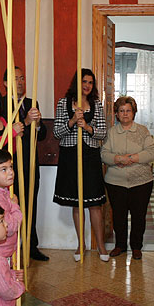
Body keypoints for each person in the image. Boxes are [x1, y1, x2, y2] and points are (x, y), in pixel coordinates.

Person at [53, 69, 109, 261]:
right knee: (77, 203)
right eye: (84, 82)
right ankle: (81, 246)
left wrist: (86, 127)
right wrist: (71, 122)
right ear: (77, 83)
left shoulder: (96, 104)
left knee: (94, 204)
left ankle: (101, 247)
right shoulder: (64, 103)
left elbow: (103, 133)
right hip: (70, 156)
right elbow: (57, 132)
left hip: (90, 156)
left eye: (91, 83)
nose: (87, 86)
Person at [2, 67, 50, 261]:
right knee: (9, 207)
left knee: (31, 205)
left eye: (22, 78)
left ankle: (31, 246)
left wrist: (37, 123)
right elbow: (8, 134)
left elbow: (42, 135)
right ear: (5, 83)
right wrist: (26, 121)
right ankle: (9, 248)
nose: (20, 82)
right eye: (15, 79)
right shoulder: (0, 104)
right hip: (9, 166)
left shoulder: (31, 102)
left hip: (31, 164)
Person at [100, 97, 154, 261]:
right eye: (121, 111)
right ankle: (120, 245)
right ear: (117, 114)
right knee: (119, 216)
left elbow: (151, 152)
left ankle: (136, 247)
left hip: (142, 182)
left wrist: (131, 158)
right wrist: (118, 159)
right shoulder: (111, 132)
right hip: (115, 182)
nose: (125, 114)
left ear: (134, 112)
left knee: (139, 216)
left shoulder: (143, 131)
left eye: (128, 110)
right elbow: (104, 154)